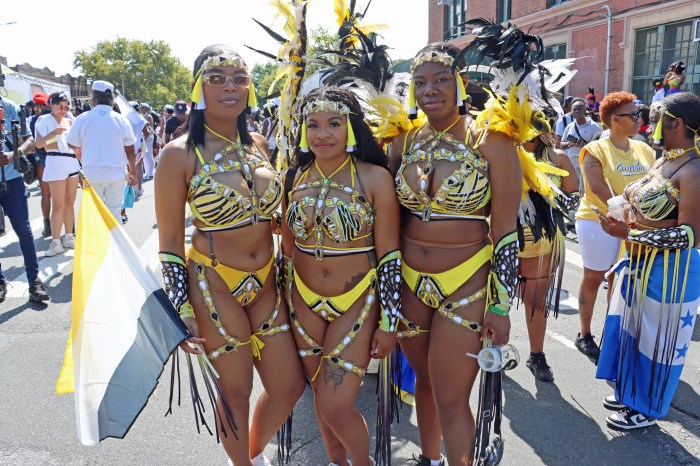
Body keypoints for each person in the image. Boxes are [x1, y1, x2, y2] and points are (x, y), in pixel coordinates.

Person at [156, 45, 305, 466]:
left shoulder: (258, 142)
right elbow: (168, 240)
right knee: (234, 392)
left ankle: (247, 454)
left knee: (288, 387)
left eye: (239, 78)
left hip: (267, 281)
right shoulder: (178, 153)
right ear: (198, 87)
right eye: (217, 78)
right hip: (213, 283)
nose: (230, 86)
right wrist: (181, 308)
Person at [389, 43, 520, 466]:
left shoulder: (492, 140)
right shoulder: (402, 142)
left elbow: (504, 231)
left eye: (441, 79)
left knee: (451, 395)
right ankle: (430, 459)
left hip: (466, 283)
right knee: (423, 383)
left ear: (460, 83)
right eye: (420, 81)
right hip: (411, 282)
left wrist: (500, 306)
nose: (431, 89)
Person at [281, 86, 400, 466]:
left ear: (352, 128)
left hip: (357, 303)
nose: (322, 133)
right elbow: (286, 250)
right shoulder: (294, 177)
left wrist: (389, 321)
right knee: (321, 396)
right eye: (312, 125)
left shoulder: (376, 178)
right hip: (302, 302)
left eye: (334, 123)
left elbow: (390, 257)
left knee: (335, 404)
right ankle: (337, 462)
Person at [596, 92, 700, 429]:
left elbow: (691, 236)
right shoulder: (663, 160)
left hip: (671, 274)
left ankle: (647, 408)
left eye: (656, 118)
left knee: (658, 344)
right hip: (641, 265)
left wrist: (629, 234)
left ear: (677, 123)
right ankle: (631, 393)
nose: (649, 124)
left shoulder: (694, 170)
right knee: (634, 334)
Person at [573, 91, 655, 361]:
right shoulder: (595, 149)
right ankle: (584, 335)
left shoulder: (643, 148)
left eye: (637, 112)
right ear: (613, 120)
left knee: (619, 280)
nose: (637, 118)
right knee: (595, 277)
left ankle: (613, 335)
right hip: (598, 222)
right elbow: (596, 187)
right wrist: (628, 212)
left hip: (634, 225)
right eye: (632, 114)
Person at [519, 132, 579, 382]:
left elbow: (573, 195)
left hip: (543, 238)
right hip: (498, 235)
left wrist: (547, 194)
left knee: (536, 300)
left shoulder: (558, 158)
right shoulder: (498, 151)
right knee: (493, 297)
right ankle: (493, 352)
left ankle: (537, 355)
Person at [0, 95, 50, 303]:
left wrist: (14, 154)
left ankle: (34, 281)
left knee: (23, 229)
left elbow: (30, 141)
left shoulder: (8, 106)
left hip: (12, 179)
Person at [66, 80, 137, 220]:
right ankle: (114, 242)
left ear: (95, 99)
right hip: (116, 172)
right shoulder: (121, 120)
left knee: (93, 213)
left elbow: (71, 142)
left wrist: (78, 148)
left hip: (92, 172)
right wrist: (133, 172)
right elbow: (130, 150)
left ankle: (95, 242)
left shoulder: (82, 118)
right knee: (114, 212)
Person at [34, 92, 80, 257]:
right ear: (51, 105)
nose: (63, 109)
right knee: (58, 204)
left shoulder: (71, 120)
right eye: (60, 106)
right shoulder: (44, 121)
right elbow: (38, 144)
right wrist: (54, 133)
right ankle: (55, 241)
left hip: (72, 162)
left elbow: (77, 143)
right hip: (55, 162)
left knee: (70, 202)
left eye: (66, 107)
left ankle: (69, 236)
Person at [561, 97, 602, 193]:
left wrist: (584, 144)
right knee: (573, 191)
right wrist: (570, 143)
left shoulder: (593, 126)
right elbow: (562, 145)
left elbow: (600, 147)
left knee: (585, 191)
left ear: (584, 110)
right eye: (574, 109)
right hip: (571, 164)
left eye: (579, 109)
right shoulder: (569, 127)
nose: (577, 111)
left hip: (586, 165)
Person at [29, 93, 52, 237]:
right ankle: (70, 226)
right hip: (58, 157)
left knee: (46, 193)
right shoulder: (61, 117)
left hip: (41, 158)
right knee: (60, 194)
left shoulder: (33, 120)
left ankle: (47, 225)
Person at [140, 102, 156, 181]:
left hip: (149, 138)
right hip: (143, 138)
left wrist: (146, 136)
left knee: (149, 155)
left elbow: (150, 128)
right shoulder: (141, 116)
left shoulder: (148, 116)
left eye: (142, 108)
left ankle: (151, 173)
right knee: (145, 156)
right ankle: (147, 173)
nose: (140, 109)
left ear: (146, 109)